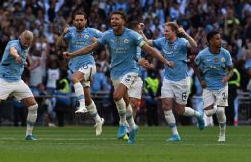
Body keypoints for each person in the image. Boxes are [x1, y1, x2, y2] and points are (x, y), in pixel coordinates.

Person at [63, 10, 173, 144]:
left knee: (116, 96)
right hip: (115, 72)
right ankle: (133, 127)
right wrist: (72, 54)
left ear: (123, 21)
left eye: (116, 19)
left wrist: (165, 61)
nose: (113, 21)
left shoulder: (132, 35)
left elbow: (150, 50)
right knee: (125, 102)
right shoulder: (108, 35)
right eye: (112, 19)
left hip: (131, 70)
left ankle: (122, 124)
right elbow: (90, 48)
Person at [139, 22, 205, 141]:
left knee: (180, 110)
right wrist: (141, 33)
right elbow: (148, 42)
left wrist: (185, 34)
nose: (165, 33)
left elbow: (194, 45)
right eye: (164, 31)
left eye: (167, 31)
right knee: (166, 106)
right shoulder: (162, 41)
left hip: (182, 81)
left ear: (174, 32)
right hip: (168, 80)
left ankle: (198, 115)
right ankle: (175, 134)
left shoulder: (181, 42)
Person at [55, 10, 104, 136]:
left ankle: (81, 106)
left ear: (86, 21)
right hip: (76, 66)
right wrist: (62, 34)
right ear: (73, 21)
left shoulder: (92, 31)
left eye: (81, 19)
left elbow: (107, 38)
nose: (79, 21)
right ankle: (98, 120)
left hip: (89, 65)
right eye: (77, 20)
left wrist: (97, 41)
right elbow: (57, 44)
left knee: (74, 78)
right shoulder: (70, 32)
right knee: (88, 99)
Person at [193, 30, 234, 142]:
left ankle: (222, 134)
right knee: (208, 113)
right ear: (210, 41)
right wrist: (201, 79)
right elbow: (194, 66)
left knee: (221, 111)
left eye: (220, 38)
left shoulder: (225, 53)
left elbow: (231, 70)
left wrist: (227, 77)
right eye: (217, 38)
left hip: (222, 85)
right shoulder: (202, 54)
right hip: (208, 87)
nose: (220, 41)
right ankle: (211, 110)